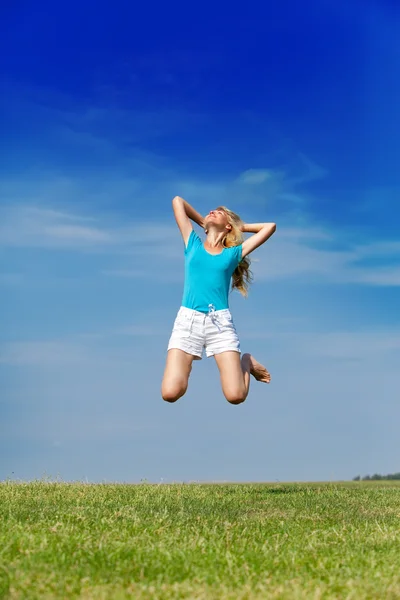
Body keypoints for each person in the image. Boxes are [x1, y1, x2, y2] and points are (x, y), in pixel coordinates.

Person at [161, 195, 276, 405]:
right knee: (170, 393)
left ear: (228, 226)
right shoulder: (192, 243)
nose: (212, 211)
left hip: (220, 324)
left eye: (220, 212)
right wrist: (203, 221)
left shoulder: (233, 254)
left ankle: (246, 362)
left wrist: (241, 227)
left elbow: (270, 226)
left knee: (236, 396)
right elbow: (178, 201)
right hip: (188, 321)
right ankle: (187, 367)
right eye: (211, 211)